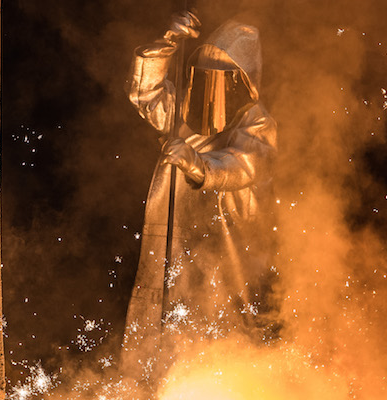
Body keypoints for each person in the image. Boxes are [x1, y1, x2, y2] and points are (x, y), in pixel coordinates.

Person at [120, 11, 277, 384]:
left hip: (228, 242)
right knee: (168, 312)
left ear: (244, 78)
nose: (212, 76)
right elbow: (144, 92)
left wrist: (198, 166)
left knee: (225, 318)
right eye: (205, 64)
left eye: (223, 68)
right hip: (175, 236)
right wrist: (167, 46)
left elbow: (245, 164)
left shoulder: (257, 122)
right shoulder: (180, 112)